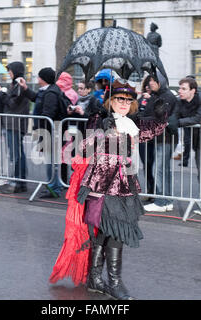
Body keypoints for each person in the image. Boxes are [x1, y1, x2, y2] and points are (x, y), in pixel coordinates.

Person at [49, 78, 168, 300]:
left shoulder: (132, 123)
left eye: (128, 99)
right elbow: (83, 149)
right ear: (111, 101)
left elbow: (154, 130)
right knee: (111, 233)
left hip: (125, 186)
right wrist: (101, 132)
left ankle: (96, 279)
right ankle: (112, 282)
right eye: (119, 99)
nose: (123, 103)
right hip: (101, 186)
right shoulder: (99, 119)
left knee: (108, 233)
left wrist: (161, 114)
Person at [19, 67, 64, 198]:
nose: (37, 79)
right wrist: (26, 88)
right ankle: (54, 185)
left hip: (49, 131)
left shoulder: (51, 93)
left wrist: (39, 129)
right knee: (50, 159)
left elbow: (47, 114)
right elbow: (36, 99)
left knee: (51, 160)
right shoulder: (47, 91)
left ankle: (54, 187)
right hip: (48, 130)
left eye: (39, 77)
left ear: (43, 79)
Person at [0, 61, 34, 194]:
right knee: (17, 154)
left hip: (15, 124)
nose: (8, 72)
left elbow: (12, 104)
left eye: (10, 70)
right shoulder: (16, 84)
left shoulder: (19, 84)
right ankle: (19, 181)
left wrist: (1, 93)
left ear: (16, 70)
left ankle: (19, 182)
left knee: (16, 154)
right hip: (12, 123)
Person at [142, 73, 179, 213]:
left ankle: (161, 201)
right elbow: (146, 114)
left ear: (161, 82)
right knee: (162, 170)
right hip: (159, 138)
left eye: (154, 80)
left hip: (165, 139)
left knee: (159, 170)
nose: (151, 82)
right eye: (150, 80)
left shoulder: (167, 96)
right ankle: (166, 200)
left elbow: (160, 117)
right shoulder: (155, 96)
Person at [175, 77, 201, 191]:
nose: (180, 91)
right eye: (180, 88)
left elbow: (198, 118)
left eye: (183, 89)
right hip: (193, 138)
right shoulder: (179, 101)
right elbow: (174, 116)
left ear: (193, 90)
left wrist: (177, 122)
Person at [138, 75, 155, 197]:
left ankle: (156, 191)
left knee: (155, 165)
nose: (148, 87)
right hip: (143, 136)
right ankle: (150, 190)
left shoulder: (157, 98)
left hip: (155, 137)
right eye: (147, 85)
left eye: (151, 84)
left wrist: (151, 100)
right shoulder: (141, 98)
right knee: (146, 164)